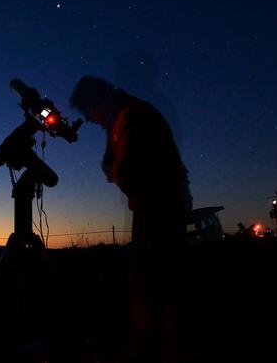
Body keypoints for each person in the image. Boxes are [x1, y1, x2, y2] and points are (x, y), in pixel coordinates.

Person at [70, 75, 192, 363]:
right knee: (158, 288)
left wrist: (115, 171)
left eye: (88, 112)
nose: (89, 120)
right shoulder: (125, 115)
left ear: (99, 101)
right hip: (160, 207)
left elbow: (127, 171)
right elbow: (115, 159)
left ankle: (157, 350)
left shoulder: (132, 117)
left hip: (159, 211)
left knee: (154, 290)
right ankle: (160, 345)